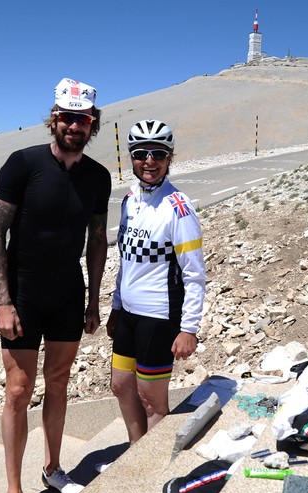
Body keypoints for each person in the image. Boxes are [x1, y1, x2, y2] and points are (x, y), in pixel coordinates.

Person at [0, 78, 110, 493]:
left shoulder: (99, 176)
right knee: (18, 391)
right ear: (54, 118)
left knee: (58, 384)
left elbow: (97, 239)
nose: (75, 125)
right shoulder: (22, 164)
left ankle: (53, 469)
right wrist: (3, 299)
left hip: (67, 293)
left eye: (84, 119)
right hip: (24, 293)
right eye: (67, 117)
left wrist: (94, 299)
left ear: (92, 125)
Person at [106, 120, 205, 448]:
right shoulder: (130, 199)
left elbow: (194, 275)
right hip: (130, 315)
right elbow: (125, 260)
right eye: (141, 154)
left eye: (158, 154)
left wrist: (188, 328)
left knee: (152, 400)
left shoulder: (178, 208)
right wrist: (116, 307)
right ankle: (137, 453)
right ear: (131, 157)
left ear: (169, 158)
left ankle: (153, 468)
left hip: (159, 317)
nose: (149, 161)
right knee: (120, 385)